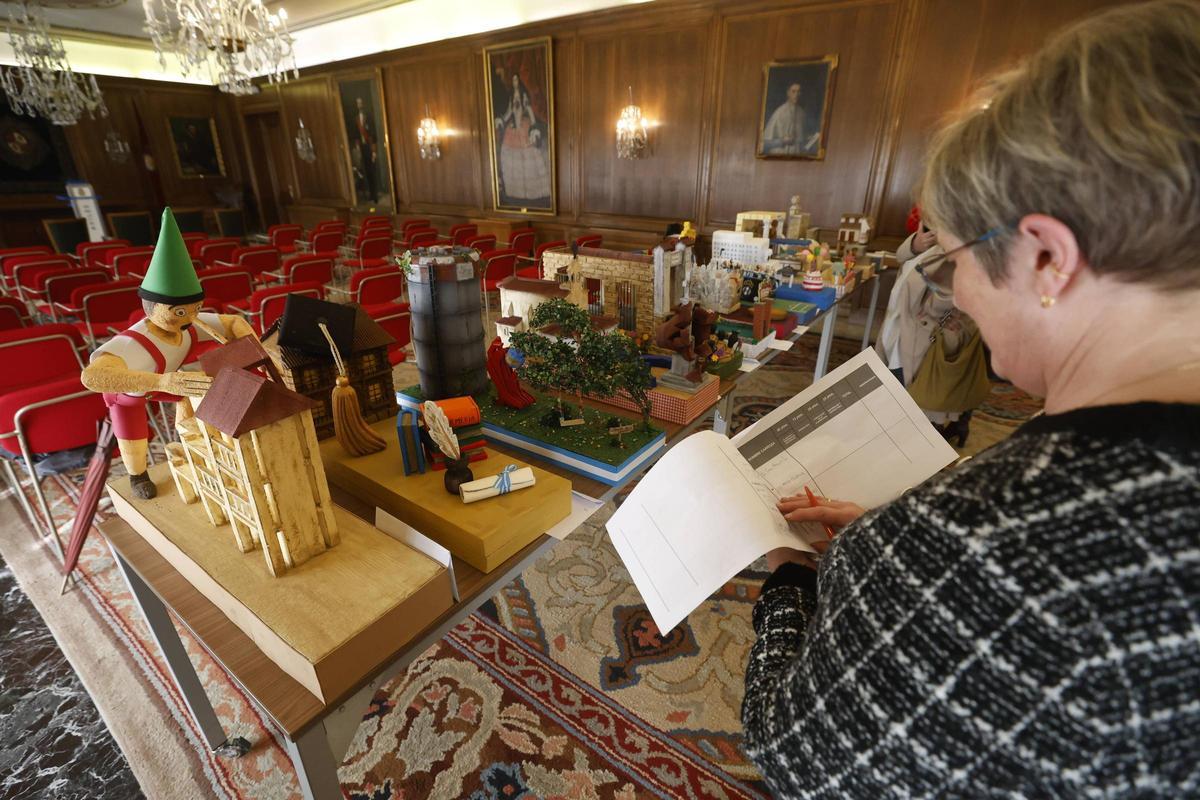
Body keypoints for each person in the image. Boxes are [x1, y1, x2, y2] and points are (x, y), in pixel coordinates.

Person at [741, 2, 1200, 797]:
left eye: (955, 259)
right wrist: (901, 566)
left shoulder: (983, 543)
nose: (961, 293)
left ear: (1048, 257)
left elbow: (791, 751)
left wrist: (792, 579)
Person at [80, 208, 255, 499]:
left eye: (197, 308)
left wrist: (254, 349)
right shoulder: (131, 344)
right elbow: (93, 377)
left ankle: (192, 446)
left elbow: (233, 322)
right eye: (181, 311)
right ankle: (137, 475)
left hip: (168, 380)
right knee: (132, 429)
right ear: (154, 306)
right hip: (130, 391)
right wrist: (160, 383)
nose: (193, 317)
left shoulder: (190, 322)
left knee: (195, 394)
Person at [876, 209, 979, 444]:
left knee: (915, 401)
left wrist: (935, 308)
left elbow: (944, 300)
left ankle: (909, 449)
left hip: (921, 340)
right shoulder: (932, 245)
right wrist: (915, 243)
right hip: (899, 332)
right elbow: (902, 257)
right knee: (895, 392)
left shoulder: (957, 251)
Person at [494, 72, 551, 203]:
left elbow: (529, 110)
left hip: (525, 127)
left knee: (529, 161)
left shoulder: (524, 96)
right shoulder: (511, 97)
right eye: (513, 80)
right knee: (513, 163)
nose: (515, 83)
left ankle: (533, 192)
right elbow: (509, 112)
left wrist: (534, 125)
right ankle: (516, 192)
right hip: (513, 128)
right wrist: (501, 120)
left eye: (516, 80)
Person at [762, 81, 821, 156]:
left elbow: (802, 138)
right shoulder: (779, 112)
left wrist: (811, 138)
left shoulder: (802, 113)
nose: (796, 95)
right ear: (788, 93)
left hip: (797, 156)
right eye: (793, 91)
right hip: (780, 157)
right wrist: (782, 141)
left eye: (799, 92)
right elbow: (763, 143)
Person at [350, 96, 379, 204]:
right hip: (361, 147)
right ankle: (370, 196)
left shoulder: (369, 116)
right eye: (357, 103)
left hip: (369, 146)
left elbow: (373, 133)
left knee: (372, 172)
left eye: (360, 102)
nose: (359, 105)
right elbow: (355, 134)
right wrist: (357, 148)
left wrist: (374, 150)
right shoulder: (355, 118)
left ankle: (375, 196)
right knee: (365, 173)